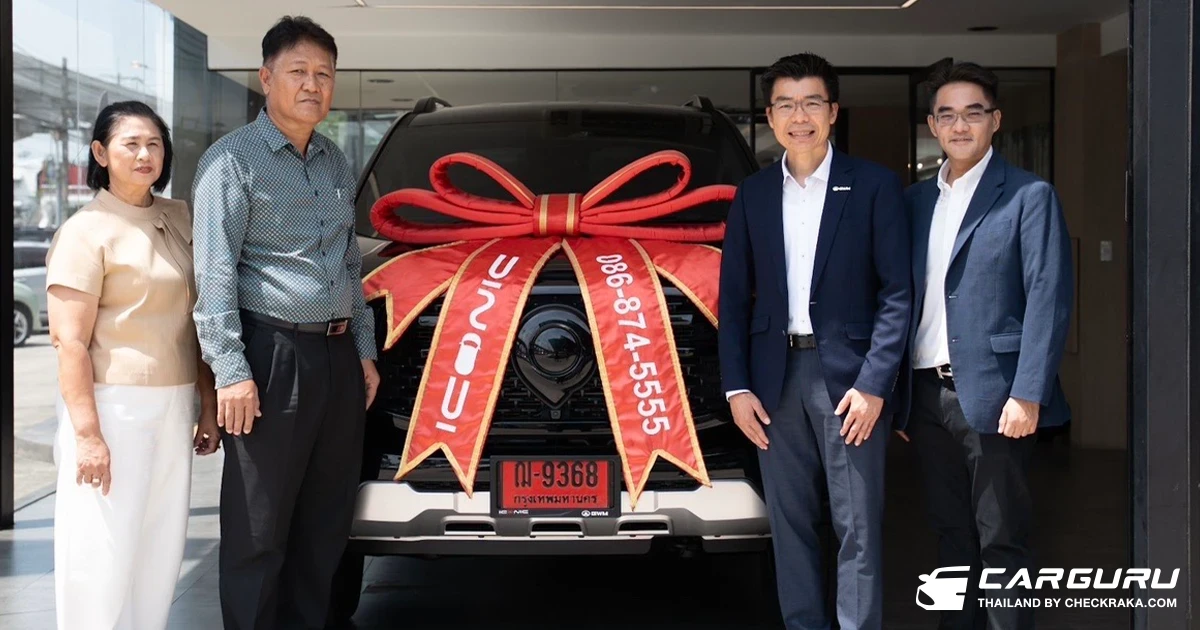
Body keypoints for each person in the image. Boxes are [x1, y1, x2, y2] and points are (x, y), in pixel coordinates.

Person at [191, 15, 380, 630]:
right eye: (298, 71)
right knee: (259, 525)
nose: (312, 85)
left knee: (324, 524)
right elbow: (214, 273)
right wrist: (231, 372)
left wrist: (363, 351)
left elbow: (349, 265)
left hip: (337, 360)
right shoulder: (231, 162)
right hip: (269, 357)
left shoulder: (334, 161)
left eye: (324, 74)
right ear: (265, 78)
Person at [717, 52, 912, 630]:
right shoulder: (752, 193)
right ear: (770, 117)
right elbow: (733, 299)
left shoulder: (873, 185)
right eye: (785, 105)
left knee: (859, 527)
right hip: (773, 383)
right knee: (790, 523)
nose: (798, 117)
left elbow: (897, 293)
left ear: (833, 111)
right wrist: (736, 387)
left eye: (810, 103)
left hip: (850, 385)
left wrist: (875, 384)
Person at [900, 61, 1072, 629]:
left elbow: (1048, 297)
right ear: (932, 125)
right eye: (947, 115)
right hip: (927, 397)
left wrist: (1029, 393)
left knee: (1002, 541)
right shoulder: (914, 202)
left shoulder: (1028, 196)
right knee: (950, 537)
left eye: (973, 113)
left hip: (999, 398)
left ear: (995, 121)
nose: (960, 125)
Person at [47, 100, 221, 630]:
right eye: (131, 144)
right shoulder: (85, 230)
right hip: (112, 406)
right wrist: (88, 436)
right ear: (101, 153)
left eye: (154, 144)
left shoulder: (179, 216)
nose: (145, 155)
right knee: (101, 547)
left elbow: (197, 320)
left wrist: (207, 404)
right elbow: (69, 342)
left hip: (174, 404)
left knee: (159, 545)